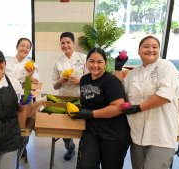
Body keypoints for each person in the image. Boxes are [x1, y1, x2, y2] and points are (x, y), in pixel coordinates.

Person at [114, 36, 179, 169]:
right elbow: (118, 91)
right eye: (146, 46)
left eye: (154, 47)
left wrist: (139, 108)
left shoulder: (166, 67)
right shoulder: (134, 73)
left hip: (161, 133)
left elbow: (165, 95)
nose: (150, 49)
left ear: (159, 50)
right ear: (138, 51)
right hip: (137, 133)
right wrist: (118, 68)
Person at [70, 47, 131, 169]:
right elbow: (89, 101)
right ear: (87, 63)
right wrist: (81, 108)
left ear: (106, 63)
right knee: (86, 166)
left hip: (113, 132)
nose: (95, 65)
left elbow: (118, 108)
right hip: (92, 130)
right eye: (91, 61)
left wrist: (89, 114)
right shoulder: (84, 79)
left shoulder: (111, 81)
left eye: (99, 62)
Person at [52, 32, 89, 160]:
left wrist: (80, 81)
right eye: (63, 43)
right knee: (65, 127)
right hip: (64, 98)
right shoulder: (57, 63)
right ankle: (70, 148)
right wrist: (60, 81)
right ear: (60, 45)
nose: (65, 45)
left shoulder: (83, 58)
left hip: (81, 98)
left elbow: (92, 79)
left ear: (73, 43)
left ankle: (86, 150)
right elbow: (55, 86)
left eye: (68, 42)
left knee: (84, 126)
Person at [4, 38, 40, 156]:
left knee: (23, 123)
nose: (25, 49)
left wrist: (30, 76)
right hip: (6, 96)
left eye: (28, 47)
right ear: (17, 47)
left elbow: (36, 82)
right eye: (22, 46)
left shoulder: (31, 64)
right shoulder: (7, 62)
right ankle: (9, 145)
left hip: (24, 97)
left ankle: (22, 146)